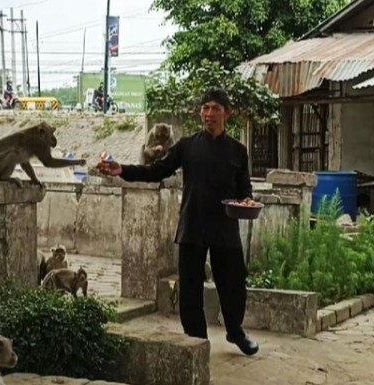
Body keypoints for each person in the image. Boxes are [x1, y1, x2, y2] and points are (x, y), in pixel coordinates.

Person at [96, 87, 259, 356]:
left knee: (234, 284)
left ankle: (235, 330)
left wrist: (247, 202)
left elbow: (244, 191)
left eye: (215, 108)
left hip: (225, 228)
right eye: (205, 108)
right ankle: (197, 342)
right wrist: (121, 169)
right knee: (190, 290)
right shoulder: (186, 146)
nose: (209, 114)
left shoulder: (238, 152)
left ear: (227, 113)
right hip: (192, 226)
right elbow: (156, 171)